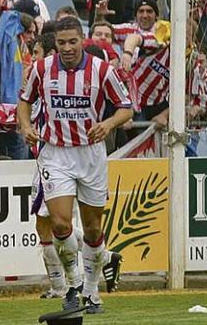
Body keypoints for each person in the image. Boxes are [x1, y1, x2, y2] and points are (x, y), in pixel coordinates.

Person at [17, 16, 132, 314]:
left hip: (91, 154)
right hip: (55, 154)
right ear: (55, 43)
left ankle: (92, 292)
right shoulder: (42, 69)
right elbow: (25, 100)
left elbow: (125, 107)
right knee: (59, 223)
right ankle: (73, 284)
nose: (67, 48)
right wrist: (26, 125)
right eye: (61, 43)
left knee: (93, 230)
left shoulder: (101, 70)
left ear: (82, 40)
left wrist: (108, 123)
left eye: (72, 42)